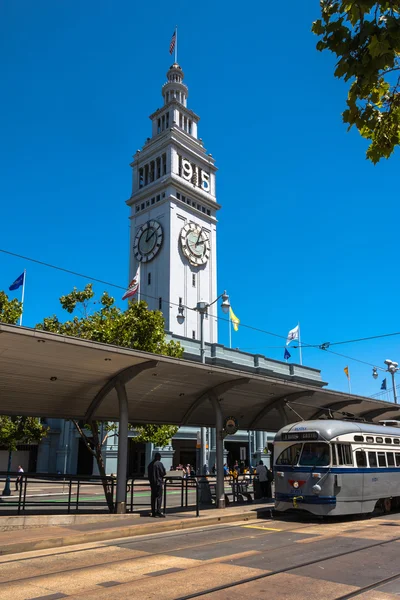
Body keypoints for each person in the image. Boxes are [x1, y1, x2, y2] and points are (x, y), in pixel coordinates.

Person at [148, 452, 166, 518]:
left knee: (153, 498)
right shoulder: (159, 464)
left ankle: (153, 511)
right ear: (158, 457)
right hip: (158, 482)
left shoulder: (150, 464)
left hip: (152, 483)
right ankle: (158, 511)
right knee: (159, 497)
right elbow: (163, 473)